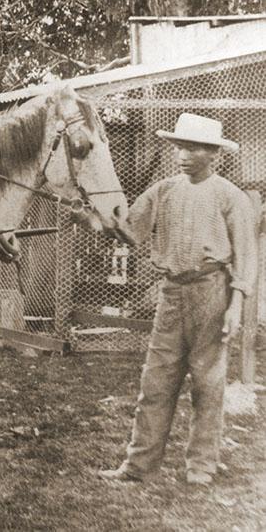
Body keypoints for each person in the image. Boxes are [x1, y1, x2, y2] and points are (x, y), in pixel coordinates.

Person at [99, 112, 256, 487]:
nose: (184, 154)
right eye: (180, 146)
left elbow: (246, 259)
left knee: (207, 382)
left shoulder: (230, 197)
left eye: (194, 147)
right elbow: (130, 232)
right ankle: (139, 465)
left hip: (212, 292)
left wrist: (235, 307)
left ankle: (201, 465)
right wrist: (95, 220)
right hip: (171, 293)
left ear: (213, 153)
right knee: (156, 381)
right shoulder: (162, 190)